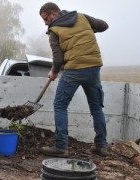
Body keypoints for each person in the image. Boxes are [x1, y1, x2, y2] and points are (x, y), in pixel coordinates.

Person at [39, 2, 109, 157]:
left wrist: (53, 72)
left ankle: (61, 147)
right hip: (94, 67)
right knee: (96, 107)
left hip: (74, 69)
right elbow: (104, 25)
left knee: (60, 105)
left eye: (45, 19)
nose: (45, 23)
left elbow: (57, 59)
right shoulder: (82, 17)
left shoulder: (54, 30)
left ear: (53, 13)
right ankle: (101, 146)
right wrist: (86, 32)